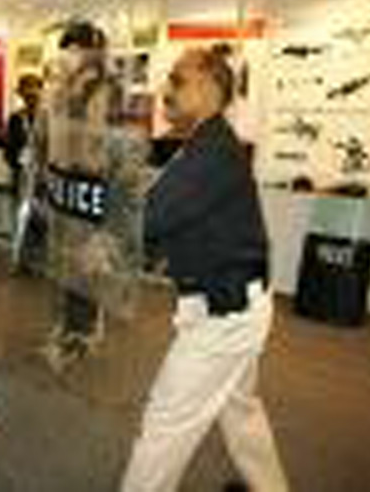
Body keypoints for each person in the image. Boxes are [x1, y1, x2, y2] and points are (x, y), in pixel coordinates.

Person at [119, 47, 288, 492]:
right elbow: (172, 217)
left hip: (225, 316)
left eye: (178, 81)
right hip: (231, 303)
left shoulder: (212, 152)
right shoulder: (204, 143)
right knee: (241, 410)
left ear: (211, 89)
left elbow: (148, 219)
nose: (166, 91)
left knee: (165, 423)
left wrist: (102, 210)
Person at [41, 21, 150, 371]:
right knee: (70, 262)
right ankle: (71, 327)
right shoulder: (67, 88)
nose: (70, 56)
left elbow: (117, 145)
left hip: (95, 186)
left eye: (76, 49)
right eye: (67, 50)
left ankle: (80, 334)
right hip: (69, 187)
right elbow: (60, 136)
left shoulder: (109, 88)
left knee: (87, 265)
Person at [5, 74, 45, 272]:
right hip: (21, 174)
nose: (31, 97)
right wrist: (18, 162)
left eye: (34, 92)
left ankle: (37, 257)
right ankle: (19, 258)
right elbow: (9, 149)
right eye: (26, 93)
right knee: (20, 216)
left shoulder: (46, 118)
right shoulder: (15, 119)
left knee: (40, 218)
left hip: (42, 176)